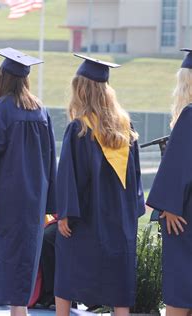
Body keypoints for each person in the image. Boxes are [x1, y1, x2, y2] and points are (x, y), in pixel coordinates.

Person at [0, 47, 57, 316]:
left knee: (3, 258)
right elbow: (51, 161)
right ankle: (20, 311)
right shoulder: (41, 112)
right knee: (25, 259)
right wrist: (49, 203)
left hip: (3, 203)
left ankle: (17, 312)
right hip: (33, 202)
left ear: (2, 78)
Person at [54, 54, 145, 316]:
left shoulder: (79, 129)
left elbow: (69, 175)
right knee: (119, 275)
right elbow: (135, 179)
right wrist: (130, 213)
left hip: (85, 218)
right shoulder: (125, 128)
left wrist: (65, 214)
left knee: (68, 270)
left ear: (81, 90)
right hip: (119, 218)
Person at [146, 48, 192, 315]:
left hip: (185, 215)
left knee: (181, 282)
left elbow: (179, 165)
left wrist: (169, 205)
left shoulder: (189, 115)